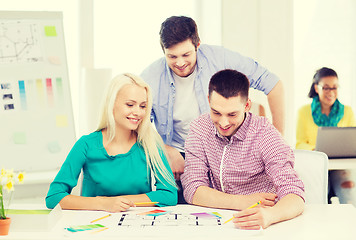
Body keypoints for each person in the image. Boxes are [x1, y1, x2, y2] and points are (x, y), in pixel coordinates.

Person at [141, 16, 284, 202]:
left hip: (221, 150)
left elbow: (273, 84)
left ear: (197, 45)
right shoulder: (149, 78)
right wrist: (164, 148)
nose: (180, 62)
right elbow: (138, 124)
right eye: (172, 56)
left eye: (186, 55)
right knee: (186, 209)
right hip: (177, 156)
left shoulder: (221, 58)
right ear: (163, 52)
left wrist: (279, 138)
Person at [180, 69, 304, 230]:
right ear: (208, 101)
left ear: (247, 106)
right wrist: (242, 201)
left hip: (263, 221)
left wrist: (269, 215)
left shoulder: (265, 133)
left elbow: (295, 195)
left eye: (232, 114)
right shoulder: (199, 128)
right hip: (218, 221)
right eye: (216, 112)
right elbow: (192, 189)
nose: (223, 123)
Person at [46, 73, 177, 211]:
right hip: (94, 226)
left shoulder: (150, 143)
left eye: (143, 106)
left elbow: (169, 194)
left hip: (136, 224)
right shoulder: (86, 145)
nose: (138, 112)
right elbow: (54, 197)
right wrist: (103, 204)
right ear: (111, 104)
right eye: (130, 104)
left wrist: (121, 202)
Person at [296, 67, 356, 205]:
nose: (331, 92)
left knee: (350, 194)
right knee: (316, 198)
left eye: (334, 88)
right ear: (317, 88)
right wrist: (316, 149)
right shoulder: (303, 112)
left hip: (340, 167)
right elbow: (299, 143)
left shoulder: (347, 111)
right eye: (326, 88)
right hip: (316, 165)